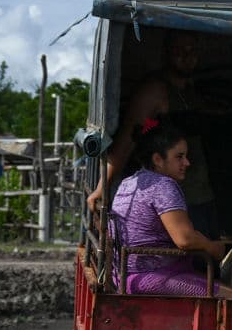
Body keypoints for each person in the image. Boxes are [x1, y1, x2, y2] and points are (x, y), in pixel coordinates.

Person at [87, 29, 219, 239]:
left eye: (191, 50)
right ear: (166, 52)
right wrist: (103, 186)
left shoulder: (190, 90)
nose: (186, 56)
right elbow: (131, 137)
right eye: (179, 50)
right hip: (171, 198)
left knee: (206, 260)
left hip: (200, 191)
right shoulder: (156, 92)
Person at [109, 114, 232, 299]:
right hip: (155, 277)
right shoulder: (163, 185)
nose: (187, 163)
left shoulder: (128, 182)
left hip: (126, 276)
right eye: (179, 157)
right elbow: (185, 239)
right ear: (158, 159)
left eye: (186, 156)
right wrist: (214, 248)